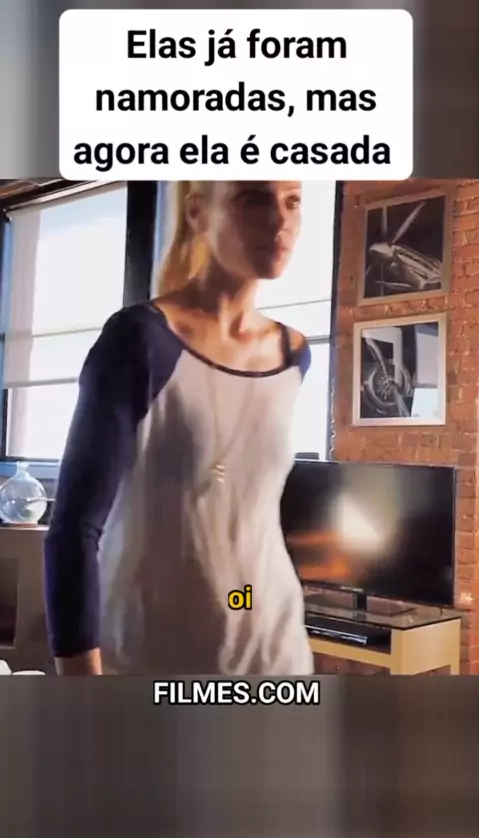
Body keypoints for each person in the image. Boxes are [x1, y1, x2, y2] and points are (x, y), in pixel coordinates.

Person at [44, 180, 314, 675]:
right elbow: (73, 530)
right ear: (197, 211)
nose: (281, 221)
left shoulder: (294, 354)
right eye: (254, 198)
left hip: (275, 650)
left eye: (292, 200)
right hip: (151, 655)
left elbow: (247, 514)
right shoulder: (140, 340)